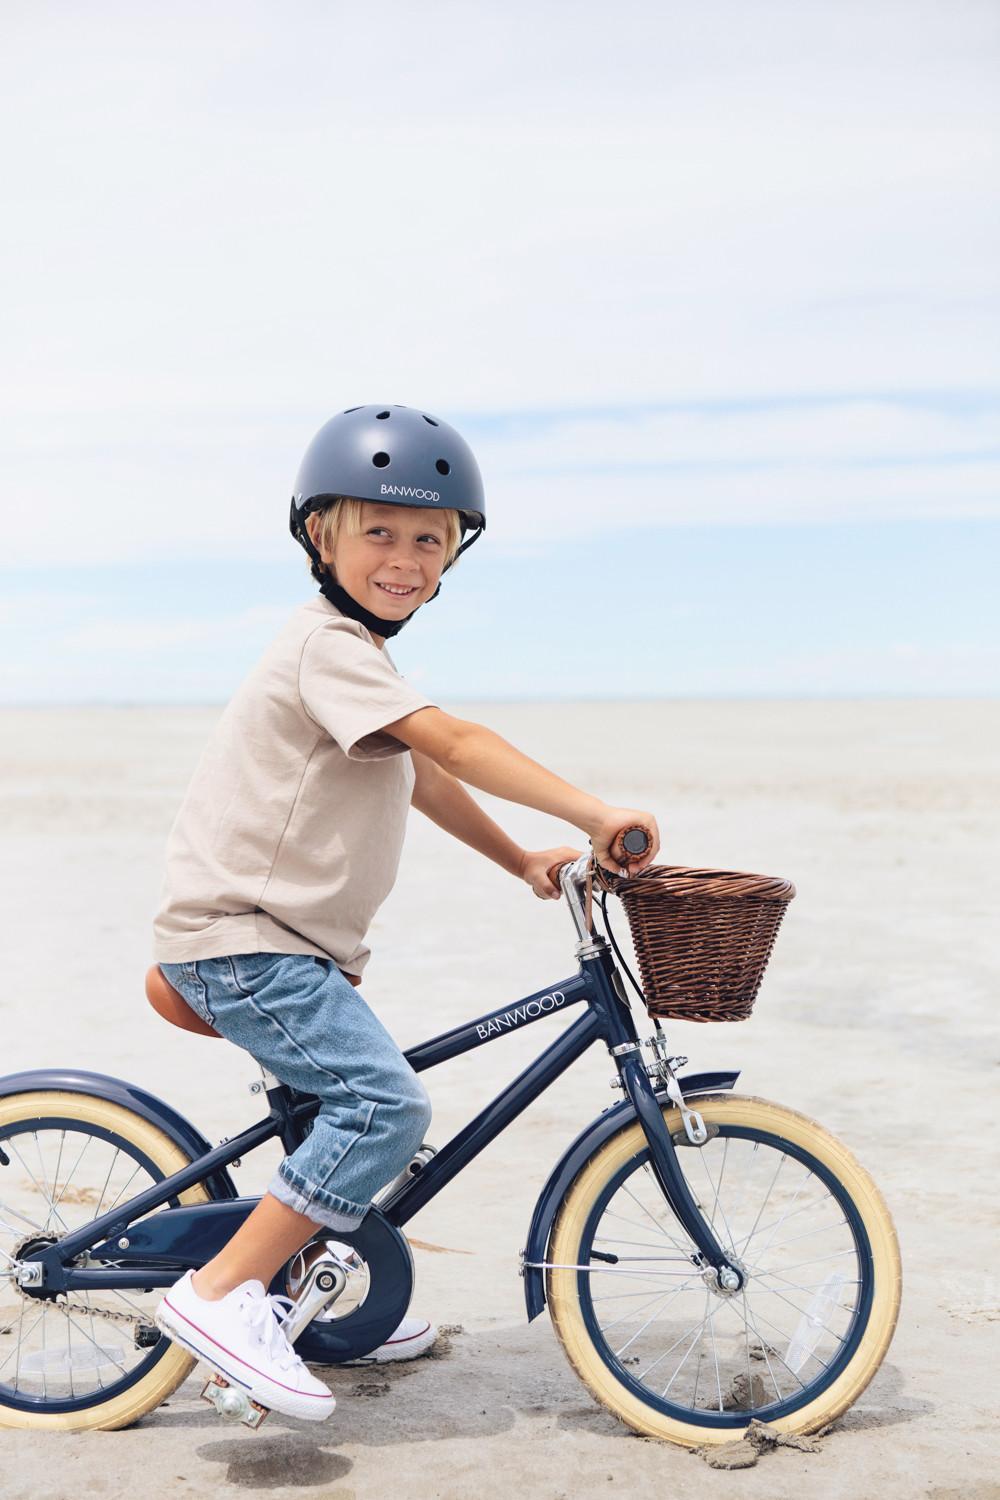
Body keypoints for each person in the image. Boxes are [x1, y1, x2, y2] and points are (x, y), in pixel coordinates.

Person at [150, 403, 660, 1422]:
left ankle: (322, 1306)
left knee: (352, 1116)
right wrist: (594, 811)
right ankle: (219, 1297)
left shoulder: (360, 666)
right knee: (383, 1108)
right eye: (377, 531)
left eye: (429, 538)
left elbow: (424, 776)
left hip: (291, 951)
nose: (404, 556)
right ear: (319, 535)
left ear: (453, 554)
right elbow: (459, 743)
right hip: (246, 946)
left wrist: (521, 858)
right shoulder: (326, 646)